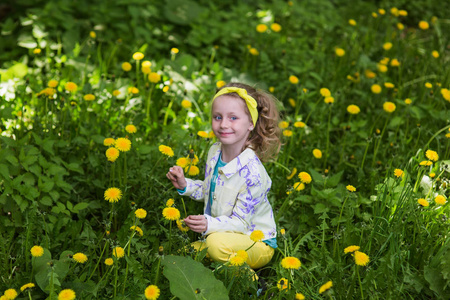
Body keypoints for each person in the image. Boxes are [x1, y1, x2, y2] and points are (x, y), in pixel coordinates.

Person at [166, 82, 281, 270]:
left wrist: (208, 224)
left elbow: (241, 224)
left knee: (215, 246)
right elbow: (209, 190)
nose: (224, 124)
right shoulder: (214, 152)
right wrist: (184, 184)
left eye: (233, 118)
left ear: (251, 123)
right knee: (182, 258)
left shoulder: (253, 173)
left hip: (255, 243)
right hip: (223, 236)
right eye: (217, 117)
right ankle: (217, 267)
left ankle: (252, 284)